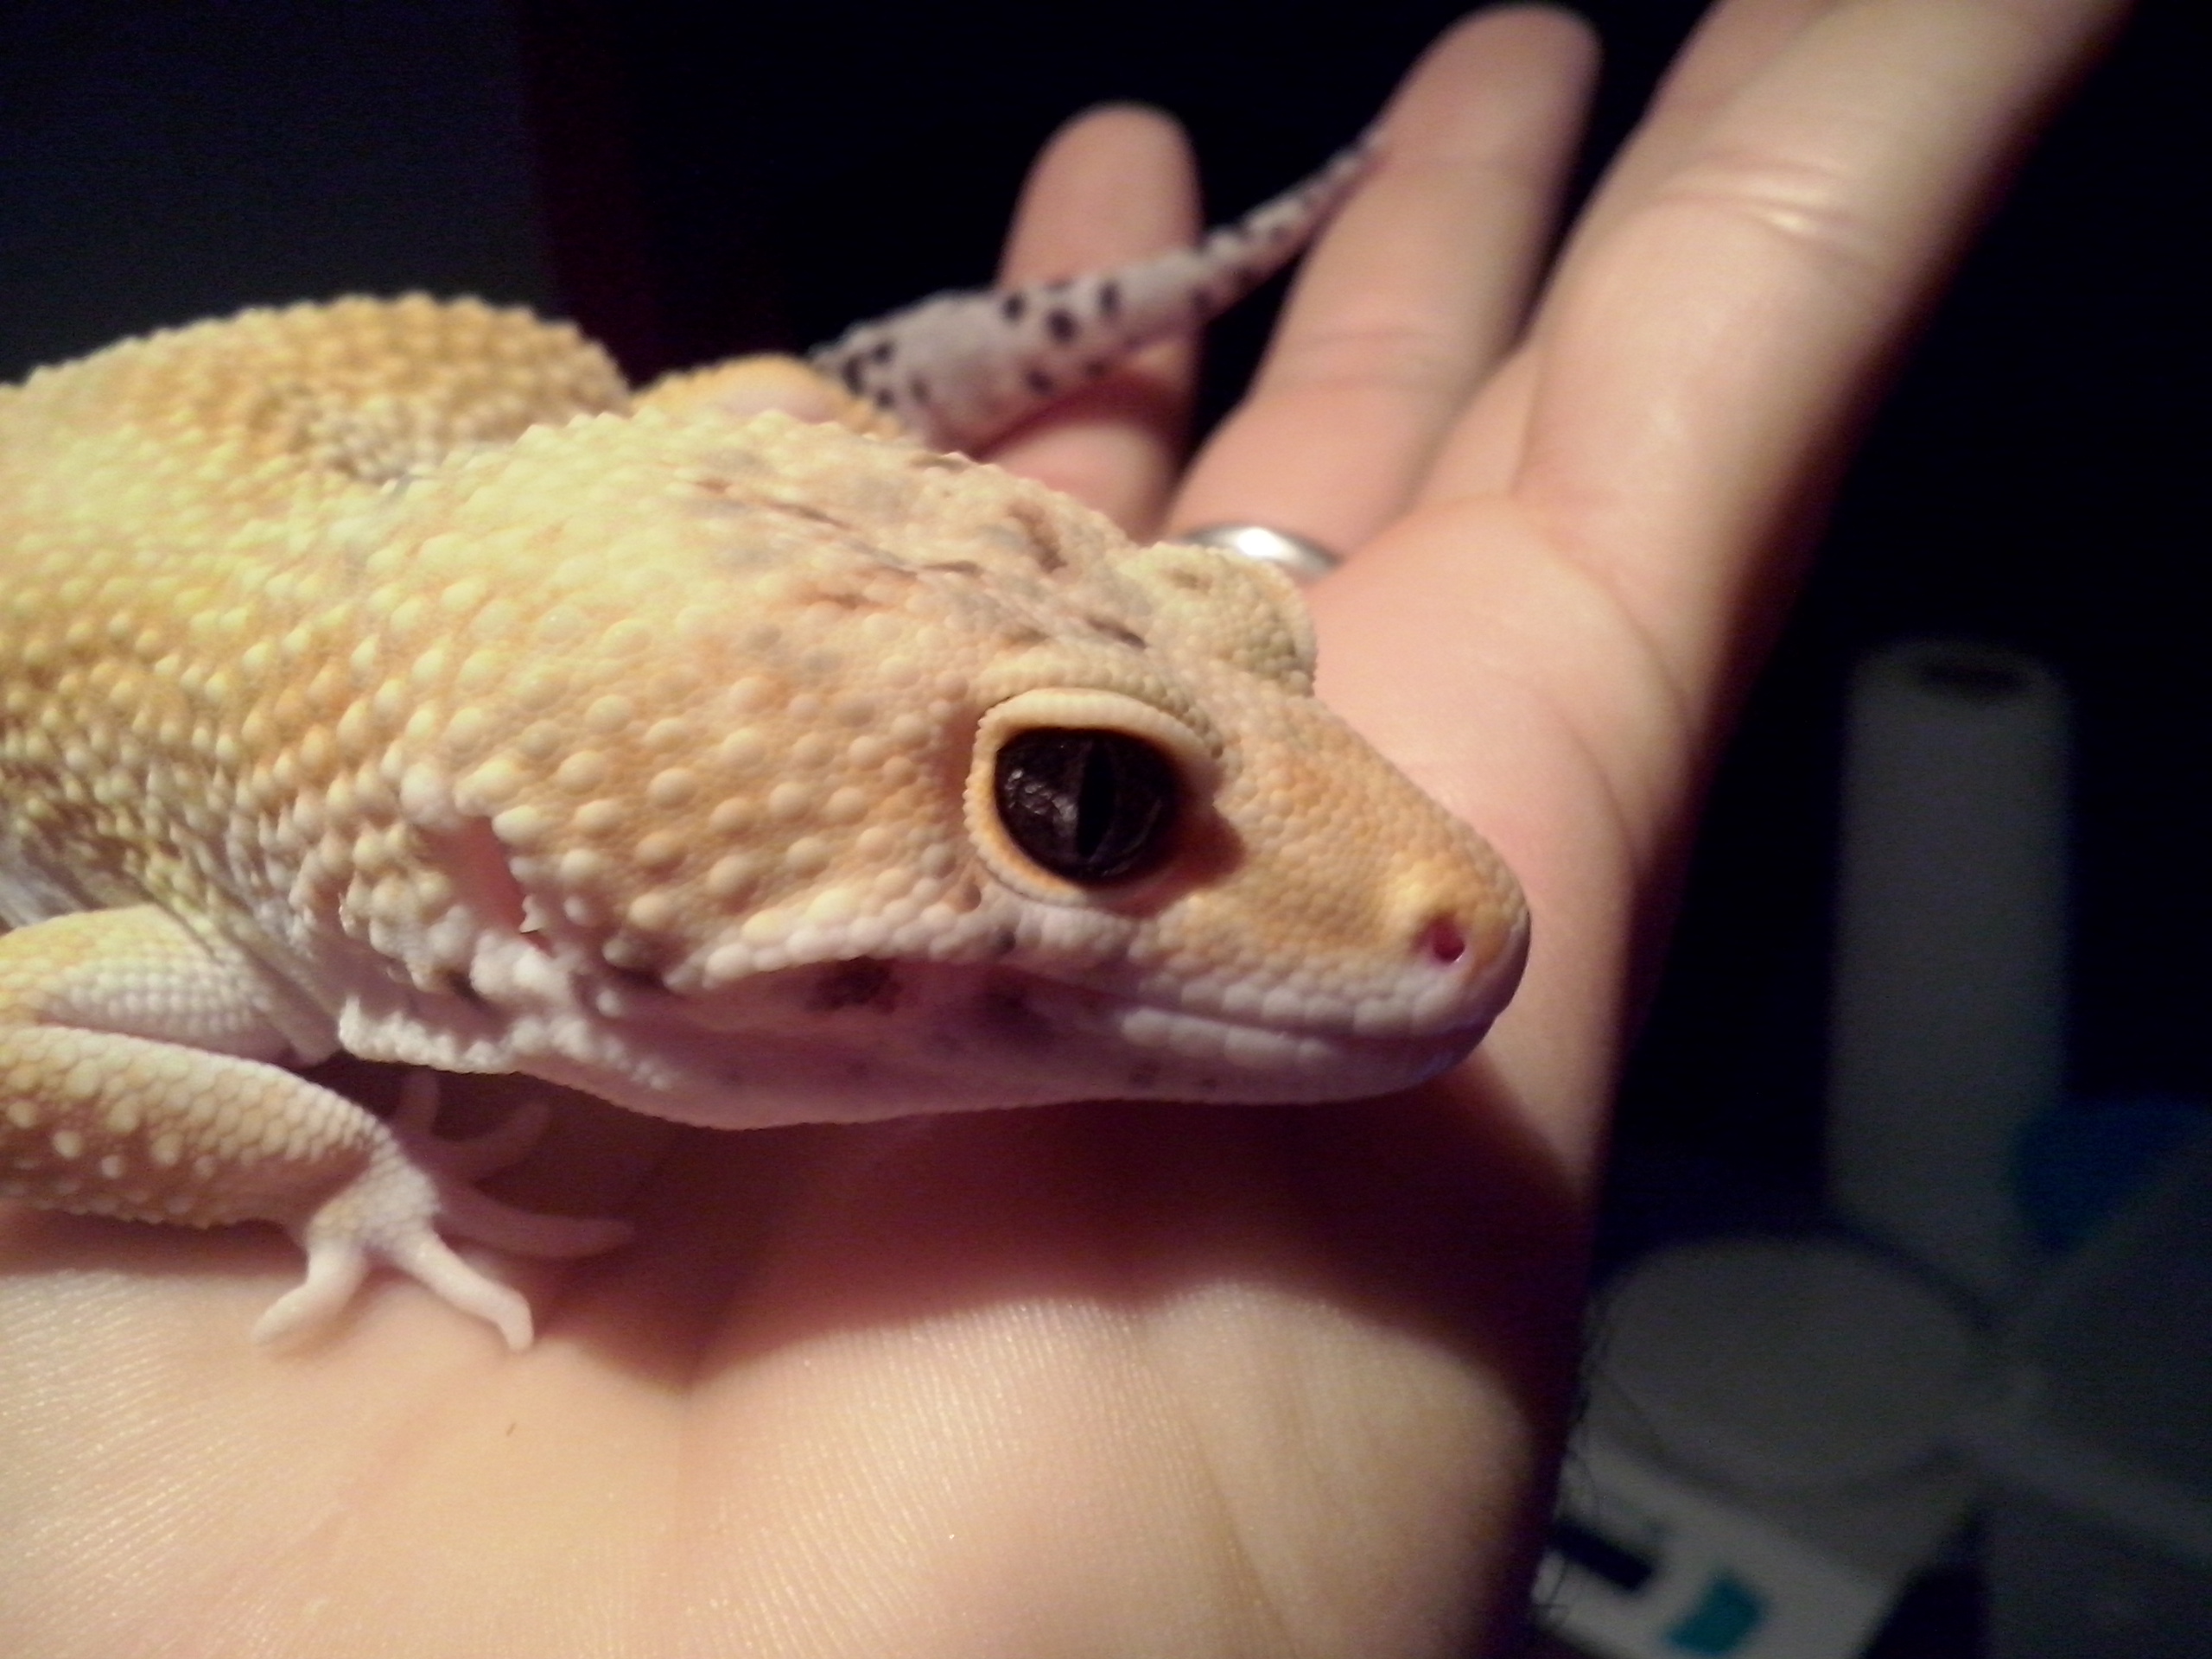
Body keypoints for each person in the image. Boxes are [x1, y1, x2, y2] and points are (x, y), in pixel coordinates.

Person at [0, 2, 2126, 1650]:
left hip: (407, 458)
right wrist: (339, 1166)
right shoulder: (244, 929)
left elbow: (727, 434)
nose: (1449, 903)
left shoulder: (551, 666)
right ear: (498, 882)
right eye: (1085, 808)